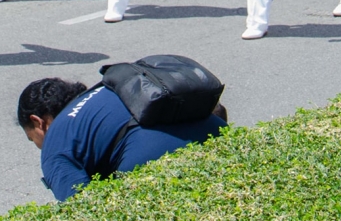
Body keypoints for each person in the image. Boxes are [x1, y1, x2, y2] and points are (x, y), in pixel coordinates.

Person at [17, 78, 226, 203]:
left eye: (31, 139)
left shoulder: (55, 144)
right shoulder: (105, 91)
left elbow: (82, 213)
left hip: (160, 167)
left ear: (39, 123)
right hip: (218, 134)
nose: (38, 147)